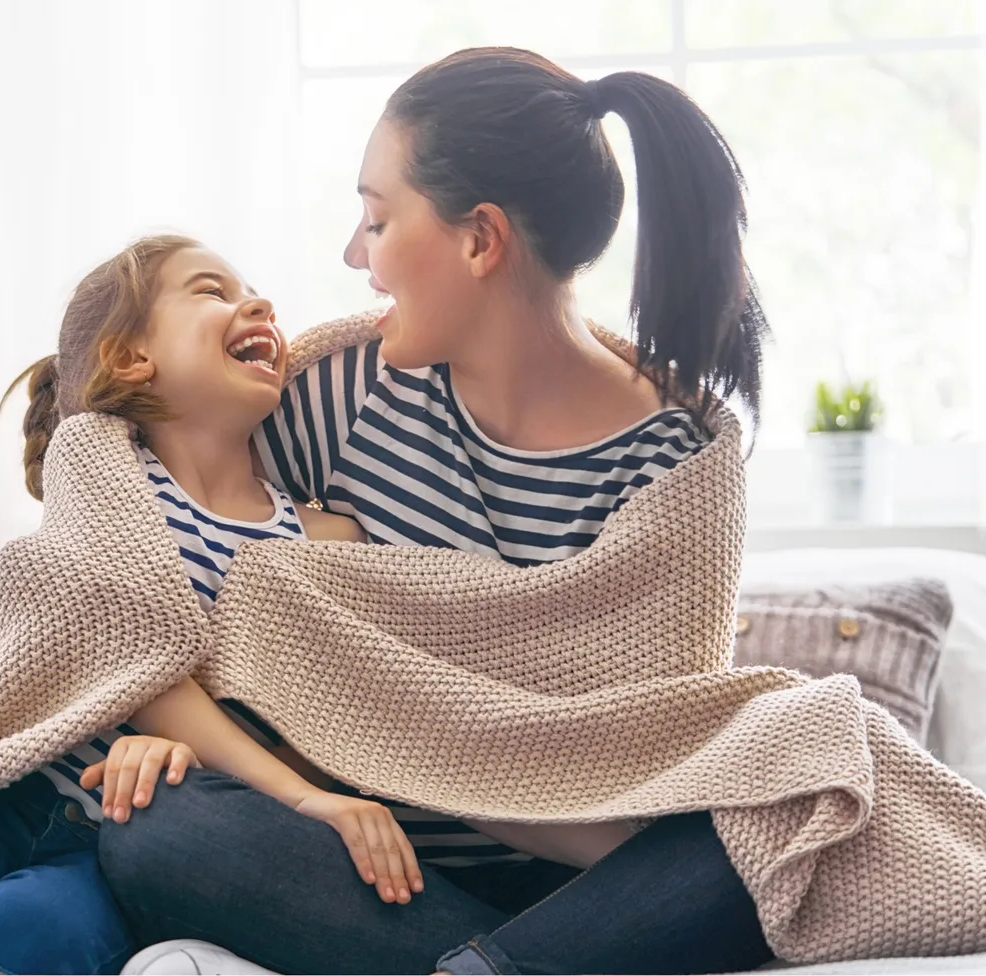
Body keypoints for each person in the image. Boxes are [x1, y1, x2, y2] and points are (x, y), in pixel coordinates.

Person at [96, 47, 775, 976]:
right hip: (371, 872)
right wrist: (157, 727)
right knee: (159, 831)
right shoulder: (341, 394)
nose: (353, 255)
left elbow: (646, 766)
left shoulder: (680, 462)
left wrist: (447, 746)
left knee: (785, 808)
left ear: (479, 240)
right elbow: (148, 543)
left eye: (377, 219)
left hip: (590, 887)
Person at [0, 234, 452, 975]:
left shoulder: (324, 538)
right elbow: (126, 648)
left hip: (121, 837)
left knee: (28, 945)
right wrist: (278, 786)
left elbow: (325, 718)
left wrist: (223, 777)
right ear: (131, 359)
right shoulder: (97, 467)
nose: (258, 304)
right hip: (9, 800)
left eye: (249, 291)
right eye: (211, 290)